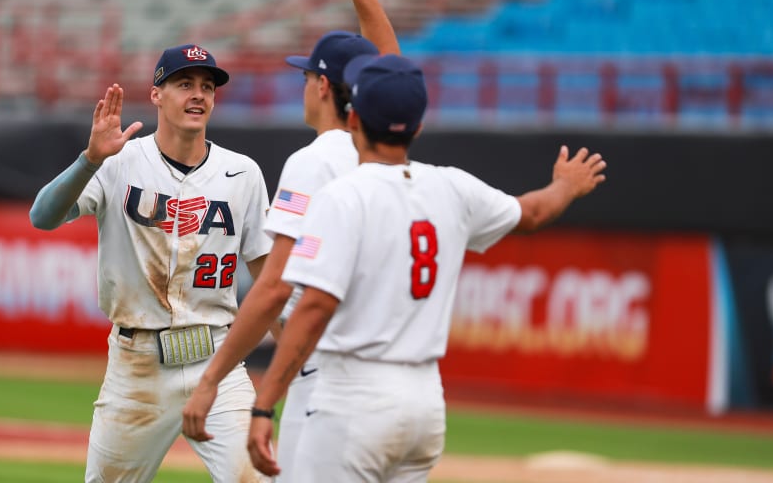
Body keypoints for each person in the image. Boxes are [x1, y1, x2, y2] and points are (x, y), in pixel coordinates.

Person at [246, 54, 608, 481]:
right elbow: (530, 213)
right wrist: (565, 185)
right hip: (425, 401)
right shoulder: (451, 185)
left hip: (354, 395)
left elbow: (315, 306)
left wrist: (265, 401)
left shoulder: (343, 195)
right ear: (417, 127)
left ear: (355, 118)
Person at [181, 0, 398, 476]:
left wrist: (212, 381)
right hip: (399, 381)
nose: (302, 84)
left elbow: (273, 285)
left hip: (329, 380)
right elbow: (395, 73)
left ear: (324, 86)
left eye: (307, 75)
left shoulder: (313, 160)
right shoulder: (389, 153)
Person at [29, 43, 273, 482]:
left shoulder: (243, 174)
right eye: (184, 84)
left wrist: (297, 354)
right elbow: (42, 216)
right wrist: (90, 160)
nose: (198, 95)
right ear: (157, 94)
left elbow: (268, 277)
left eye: (207, 86)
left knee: (259, 478)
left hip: (214, 359)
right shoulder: (118, 160)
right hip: (136, 363)